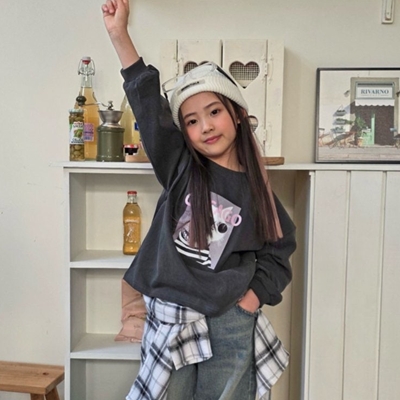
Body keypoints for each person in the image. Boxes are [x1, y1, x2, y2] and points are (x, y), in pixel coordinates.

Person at [102, 1, 296, 399]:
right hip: (171, 313)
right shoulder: (180, 166)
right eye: (191, 120)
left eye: (214, 112)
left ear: (237, 115)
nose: (205, 126)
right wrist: (119, 35)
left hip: (229, 318)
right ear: (184, 132)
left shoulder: (258, 191)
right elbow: (148, 105)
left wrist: (251, 300)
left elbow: (280, 250)